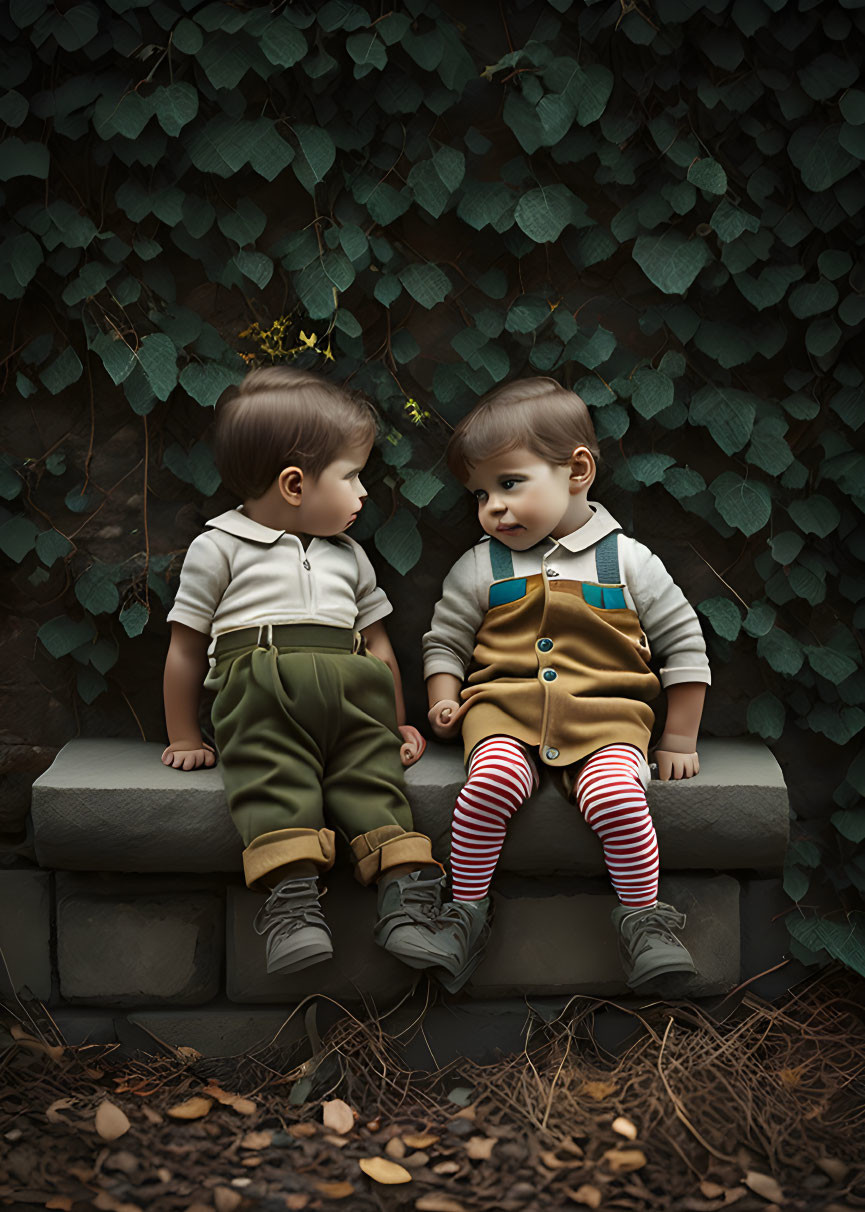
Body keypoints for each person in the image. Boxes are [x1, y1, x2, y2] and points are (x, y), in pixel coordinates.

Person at [161, 366, 452, 977]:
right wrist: (185, 735)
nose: (363, 493)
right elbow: (186, 647)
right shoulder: (219, 547)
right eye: (351, 477)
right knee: (273, 780)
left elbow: (376, 645)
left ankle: (404, 903)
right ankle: (293, 906)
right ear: (295, 484)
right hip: (261, 689)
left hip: (354, 695)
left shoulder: (351, 556)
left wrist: (394, 722)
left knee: (374, 783)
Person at [423, 377, 711, 993]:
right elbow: (445, 639)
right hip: (503, 709)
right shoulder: (480, 566)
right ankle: (464, 913)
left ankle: (645, 920)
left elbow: (683, 645)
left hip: (607, 717)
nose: (493, 508)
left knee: (616, 799)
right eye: (480, 494)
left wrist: (679, 736)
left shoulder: (627, 561)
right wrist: (444, 696)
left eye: (509, 484)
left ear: (576, 470)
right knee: (490, 783)